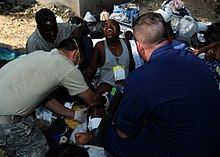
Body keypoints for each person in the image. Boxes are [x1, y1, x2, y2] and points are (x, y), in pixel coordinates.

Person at [104, 12, 220, 157]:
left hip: (184, 151)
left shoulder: (140, 79)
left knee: (112, 136)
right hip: (213, 143)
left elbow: (123, 133)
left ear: (139, 47)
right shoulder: (195, 60)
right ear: (170, 39)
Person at [0, 38, 107, 157]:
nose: (76, 67)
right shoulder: (66, 67)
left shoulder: (40, 54)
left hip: (7, 113)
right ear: (74, 53)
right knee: (42, 151)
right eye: (77, 63)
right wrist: (105, 99)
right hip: (7, 122)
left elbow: (44, 98)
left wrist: (74, 114)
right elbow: (92, 100)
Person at [85, 19, 135, 95]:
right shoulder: (100, 46)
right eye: (106, 25)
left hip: (125, 84)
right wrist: (83, 86)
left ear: (119, 30)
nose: (109, 26)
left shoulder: (125, 43)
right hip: (107, 84)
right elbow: (92, 69)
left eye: (112, 24)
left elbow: (132, 65)